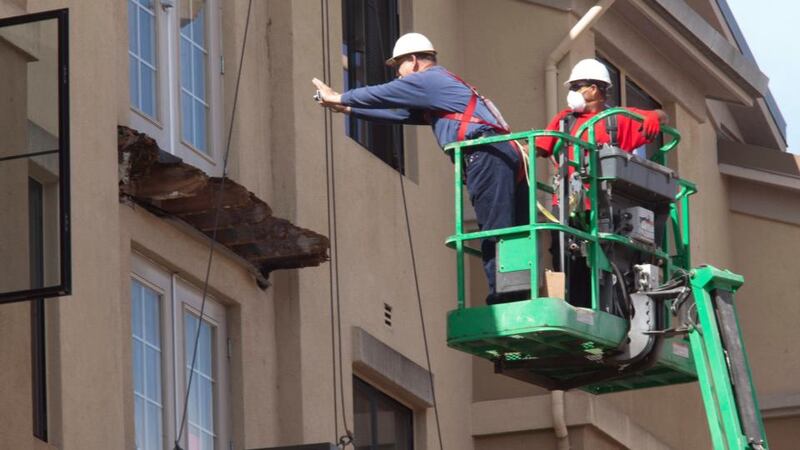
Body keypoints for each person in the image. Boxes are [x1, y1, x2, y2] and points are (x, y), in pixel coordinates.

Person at [312, 32, 527, 305]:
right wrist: (349, 110)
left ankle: (505, 299)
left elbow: (384, 94)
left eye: (399, 68)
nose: (399, 76)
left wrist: (340, 96)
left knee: (493, 228)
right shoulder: (441, 89)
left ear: (413, 61)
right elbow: (397, 113)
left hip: (485, 154)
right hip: (503, 153)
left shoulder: (428, 80)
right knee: (512, 227)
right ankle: (519, 292)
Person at [535, 58, 669, 308]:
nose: (571, 93)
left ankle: (605, 309)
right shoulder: (565, 120)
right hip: (566, 204)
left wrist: (653, 115)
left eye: (577, 86)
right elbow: (539, 147)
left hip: (603, 206)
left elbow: (663, 117)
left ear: (594, 89)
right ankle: (576, 310)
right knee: (566, 257)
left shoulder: (616, 120)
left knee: (603, 261)